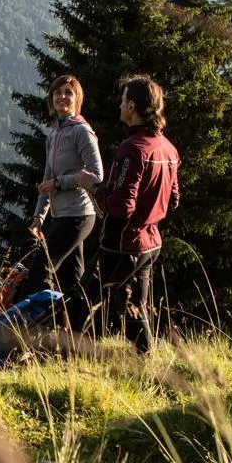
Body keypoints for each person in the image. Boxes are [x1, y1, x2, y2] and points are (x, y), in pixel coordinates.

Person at [85, 74, 180, 353]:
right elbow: (173, 199)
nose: (119, 104)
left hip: (123, 244)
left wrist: (94, 188)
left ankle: (61, 353)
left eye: (123, 99)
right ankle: (144, 359)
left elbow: (122, 206)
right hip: (151, 242)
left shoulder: (132, 149)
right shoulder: (168, 148)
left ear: (131, 107)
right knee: (136, 306)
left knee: (83, 298)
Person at [21, 74, 103, 316]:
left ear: (77, 99)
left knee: (40, 271)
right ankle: (75, 331)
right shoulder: (53, 135)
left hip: (79, 214)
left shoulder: (82, 132)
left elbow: (96, 174)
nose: (62, 97)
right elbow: (48, 178)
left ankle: (36, 327)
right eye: (57, 92)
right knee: (71, 280)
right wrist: (39, 216)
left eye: (68, 92)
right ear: (51, 99)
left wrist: (60, 183)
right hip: (61, 216)